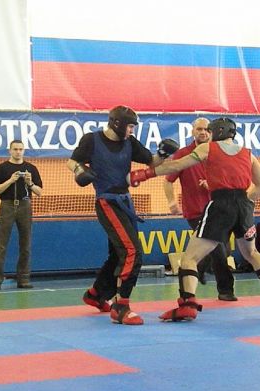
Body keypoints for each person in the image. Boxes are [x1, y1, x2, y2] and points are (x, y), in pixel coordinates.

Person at [129, 117, 260, 321]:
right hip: (244, 205)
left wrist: (144, 174)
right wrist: (242, 202)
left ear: (216, 132)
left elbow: (176, 165)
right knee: (251, 252)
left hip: (220, 204)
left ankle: (187, 305)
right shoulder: (248, 153)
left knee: (189, 259)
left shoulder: (208, 148)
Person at [67, 105, 179, 325]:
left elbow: (151, 161)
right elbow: (72, 161)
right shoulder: (92, 140)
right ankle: (120, 307)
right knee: (131, 251)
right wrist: (79, 171)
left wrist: (162, 154)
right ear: (117, 124)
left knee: (119, 254)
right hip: (107, 202)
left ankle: (96, 295)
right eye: (130, 126)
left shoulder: (130, 142)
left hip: (125, 202)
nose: (131, 130)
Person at [163, 117, 237, 301]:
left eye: (206, 129)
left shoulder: (219, 152)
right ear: (192, 132)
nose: (203, 132)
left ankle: (200, 267)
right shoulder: (183, 154)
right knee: (218, 249)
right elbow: (168, 180)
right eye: (199, 129)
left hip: (220, 210)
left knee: (223, 249)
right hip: (196, 211)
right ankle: (226, 290)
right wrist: (172, 202)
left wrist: (213, 185)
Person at [0, 140, 43, 291]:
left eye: (21, 149)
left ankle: (23, 279)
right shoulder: (1, 168)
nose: (18, 152)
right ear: (9, 150)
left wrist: (30, 183)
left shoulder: (31, 168)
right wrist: (10, 180)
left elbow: (39, 192)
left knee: (26, 244)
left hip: (25, 205)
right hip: (7, 205)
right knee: (0, 245)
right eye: (15, 149)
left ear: (24, 151)